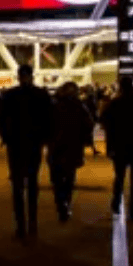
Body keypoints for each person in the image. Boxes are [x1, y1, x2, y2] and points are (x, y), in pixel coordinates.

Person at [0, 64, 52, 240]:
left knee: (18, 185)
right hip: (34, 143)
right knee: (32, 183)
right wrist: (44, 138)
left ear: (18, 76)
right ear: (32, 76)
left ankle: (20, 225)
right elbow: (49, 119)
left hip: (15, 144)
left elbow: (0, 118)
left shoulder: (9, 95)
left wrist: (6, 136)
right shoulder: (41, 95)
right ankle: (32, 223)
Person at [102, 78, 133, 221]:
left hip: (120, 145)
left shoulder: (115, 103)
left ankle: (116, 202)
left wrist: (109, 147)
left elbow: (107, 125)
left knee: (119, 177)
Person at [47, 80, 93, 221]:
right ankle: (65, 202)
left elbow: (45, 124)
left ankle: (61, 202)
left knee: (56, 178)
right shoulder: (79, 106)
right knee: (69, 177)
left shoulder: (53, 106)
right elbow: (89, 124)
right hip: (73, 146)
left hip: (56, 146)